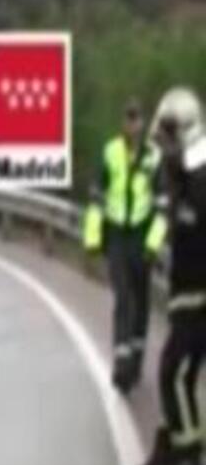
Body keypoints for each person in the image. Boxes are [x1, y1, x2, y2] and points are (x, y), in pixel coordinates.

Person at [127, 86, 206, 465]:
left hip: (199, 293)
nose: (166, 145)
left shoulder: (201, 179)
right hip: (186, 290)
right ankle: (176, 448)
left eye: (171, 135)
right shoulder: (185, 176)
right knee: (182, 373)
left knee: (174, 372)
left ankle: (188, 457)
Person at [83, 99, 168, 392]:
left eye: (137, 119)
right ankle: (121, 364)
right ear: (123, 122)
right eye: (128, 119)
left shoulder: (154, 158)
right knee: (123, 298)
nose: (132, 124)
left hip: (142, 238)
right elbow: (96, 196)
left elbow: (162, 207)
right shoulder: (111, 152)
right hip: (118, 235)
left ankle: (136, 359)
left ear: (143, 124)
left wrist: (154, 244)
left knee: (141, 302)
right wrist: (93, 240)